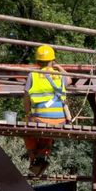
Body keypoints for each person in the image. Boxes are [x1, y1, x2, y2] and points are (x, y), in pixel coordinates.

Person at [23, 44, 72, 176]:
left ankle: (34, 156)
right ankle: (42, 155)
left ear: (37, 61)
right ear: (52, 60)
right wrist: (59, 67)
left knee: (27, 128)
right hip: (61, 120)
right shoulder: (60, 75)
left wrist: (27, 114)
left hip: (40, 119)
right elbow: (70, 79)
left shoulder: (33, 75)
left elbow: (26, 99)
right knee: (49, 130)